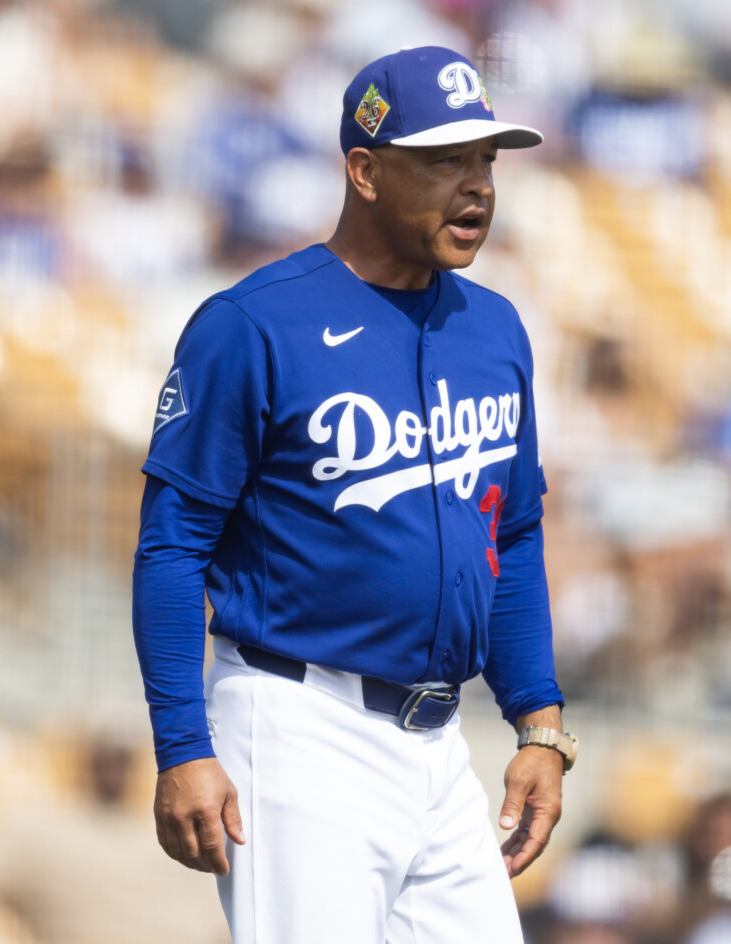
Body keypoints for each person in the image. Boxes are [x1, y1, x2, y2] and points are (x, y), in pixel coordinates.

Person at [131, 46, 576, 943]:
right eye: (445, 160)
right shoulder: (252, 324)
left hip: (439, 741)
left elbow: (513, 536)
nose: (477, 186)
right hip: (297, 724)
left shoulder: (493, 327)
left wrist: (539, 722)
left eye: (487, 159)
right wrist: (183, 745)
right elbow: (173, 547)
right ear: (365, 171)